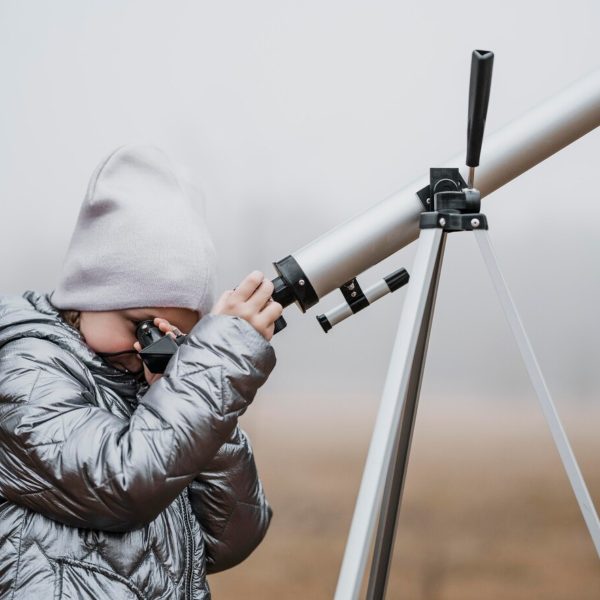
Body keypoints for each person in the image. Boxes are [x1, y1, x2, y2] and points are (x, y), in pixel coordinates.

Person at [0, 144, 283, 599]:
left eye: (176, 337)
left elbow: (233, 535)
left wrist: (189, 386)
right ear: (91, 294)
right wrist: (210, 370)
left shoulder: (163, 394)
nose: (149, 349)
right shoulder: (25, 367)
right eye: (144, 326)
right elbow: (121, 482)